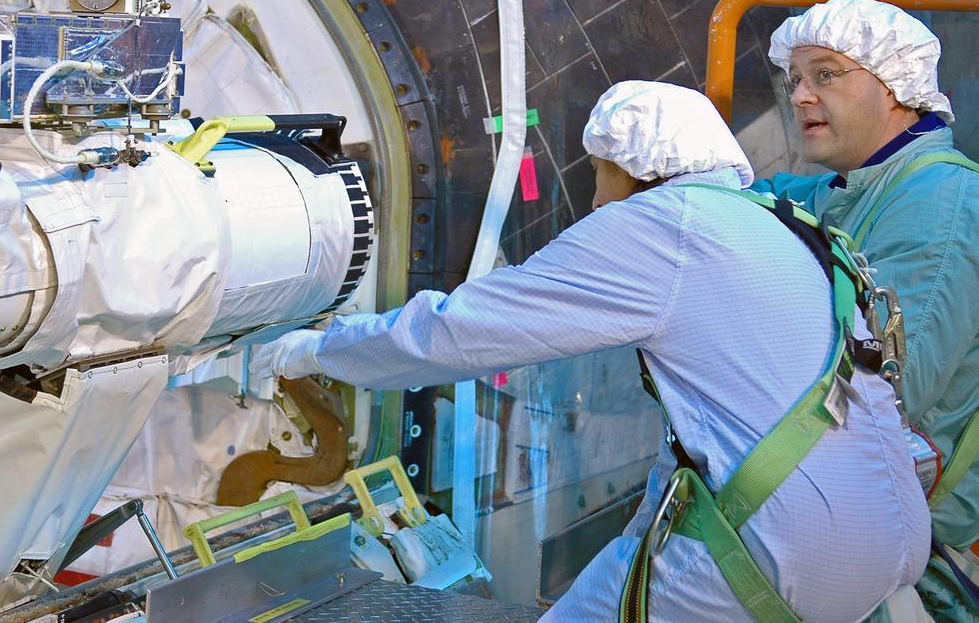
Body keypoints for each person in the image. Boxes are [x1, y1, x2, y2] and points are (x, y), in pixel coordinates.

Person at [255, 80, 930, 621]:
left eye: (599, 174)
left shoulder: (662, 226)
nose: (596, 196)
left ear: (634, 169)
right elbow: (711, 438)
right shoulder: (779, 222)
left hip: (786, 546)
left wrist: (317, 351)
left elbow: (464, 330)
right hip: (885, 532)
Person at [754, 0, 979, 563]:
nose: (800, 95)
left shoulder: (941, 204)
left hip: (895, 538)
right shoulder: (857, 188)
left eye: (825, 75)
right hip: (850, 511)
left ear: (896, 86)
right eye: (795, 78)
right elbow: (763, 199)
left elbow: (880, 396)